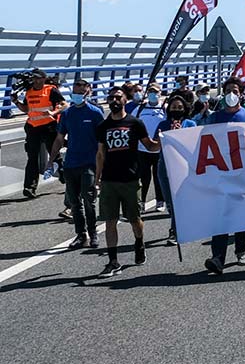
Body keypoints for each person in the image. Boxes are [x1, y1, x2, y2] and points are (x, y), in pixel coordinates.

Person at [95, 86, 160, 278]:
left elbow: (149, 145)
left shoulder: (135, 123)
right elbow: (100, 153)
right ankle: (113, 261)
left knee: (134, 220)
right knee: (110, 221)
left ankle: (139, 242)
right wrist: (97, 178)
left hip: (130, 179)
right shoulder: (103, 127)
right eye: (111, 97)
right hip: (109, 180)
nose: (114, 100)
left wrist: (164, 141)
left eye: (118, 97)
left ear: (125, 100)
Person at [204, 77, 245, 275]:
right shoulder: (215, 118)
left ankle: (241, 250)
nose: (232, 93)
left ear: (241, 93)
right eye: (228, 90)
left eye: (235, 90)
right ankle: (217, 258)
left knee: (239, 215)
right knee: (219, 216)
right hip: (220, 174)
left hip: (242, 174)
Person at [46, 78, 105, 249]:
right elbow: (59, 139)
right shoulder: (67, 113)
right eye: (75, 89)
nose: (77, 93)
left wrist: (102, 166)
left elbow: (102, 141)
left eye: (81, 90)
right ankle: (81, 235)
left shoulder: (95, 113)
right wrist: (51, 160)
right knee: (74, 202)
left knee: (89, 200)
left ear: (87, 91)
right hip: (71, 163)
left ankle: (93, 233)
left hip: (89, 163)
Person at [11, 69, 68, 207]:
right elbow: (26, 109)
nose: (35, 81)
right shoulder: (29, 91)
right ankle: (29, 188)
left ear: (43, 79)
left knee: (54, 155)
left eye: (38, 78)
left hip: (49, 127)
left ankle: (64, 175)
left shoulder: (51, 90)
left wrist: (54, 112)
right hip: (33, 127)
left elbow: (64, 104)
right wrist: (16, 102)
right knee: (32, 158)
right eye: (33, 78)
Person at [155, 95, 197, 245]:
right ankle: (177, 224)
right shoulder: (163, 124)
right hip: (165, 166)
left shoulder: (191, 124)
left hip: (183, 167)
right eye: (174, 108)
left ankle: (175, 230)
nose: (177, 110)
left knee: (180, 199)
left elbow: (193, 147)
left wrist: (179, 134)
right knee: (170, 202)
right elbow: (156, 146)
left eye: (179, 108)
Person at [135, 83, 166, 212]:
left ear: (160, 93)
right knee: (144, 177)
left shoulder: (165, 108)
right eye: (150, 91)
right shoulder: (140, 109)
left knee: (158, 176)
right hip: (142, 148)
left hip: (159, 148)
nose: (153, 94)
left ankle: (160, 200)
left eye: (155, 91)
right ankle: (141, 202)